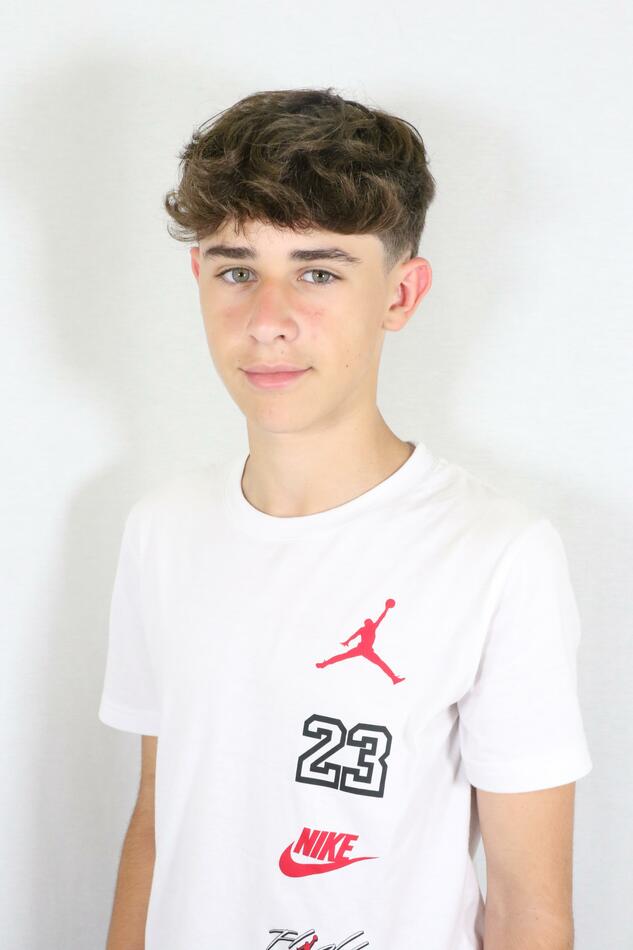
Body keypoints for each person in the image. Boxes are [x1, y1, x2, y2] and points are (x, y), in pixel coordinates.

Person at [98, 87, 593, 949]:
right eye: (237, 270)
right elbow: (158, 818)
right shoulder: (161, 530)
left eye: (318, 273)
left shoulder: (496, 553)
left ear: (400, 295)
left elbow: (527, 908)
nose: (268, 322)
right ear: (199, 278)